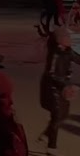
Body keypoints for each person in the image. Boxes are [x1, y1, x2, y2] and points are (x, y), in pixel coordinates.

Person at [38, 26, 80, 154]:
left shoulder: (68, 51)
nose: (69, 39)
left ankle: (47, 133)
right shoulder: (54, 54)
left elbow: (77, 58)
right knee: (56, 115)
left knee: (64, 114)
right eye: (66, 37)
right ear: (59, 40)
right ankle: (52, 147)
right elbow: (52, 75)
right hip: (52, 88)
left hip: (62, 87)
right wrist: (66, 85)